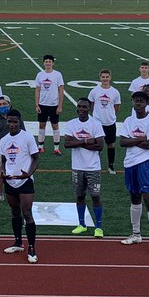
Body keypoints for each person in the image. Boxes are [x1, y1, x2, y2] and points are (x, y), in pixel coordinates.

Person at [119, 91, 149, 255]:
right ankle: (136, 234)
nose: (138, 103)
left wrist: (133, 140)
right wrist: (140, 139)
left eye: (142, 100)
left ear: (147, 103)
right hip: (130, 163)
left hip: (145, 164)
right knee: (134, 197)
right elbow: (122, 142)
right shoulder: (128, 120)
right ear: (132, 102)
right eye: (136, 100)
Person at [0, 109, 41, 264]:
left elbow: (36, 158)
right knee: (15, 213)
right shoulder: (4, 140)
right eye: (9, 121)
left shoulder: (28, 137)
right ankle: (18, 242)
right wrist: (3, 171)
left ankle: (31, 247)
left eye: (15, 121)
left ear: (20, 121)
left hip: (25, 181)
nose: (12, 124)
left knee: (27, 213)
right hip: (10, 181)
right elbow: (4, 160)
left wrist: (28, 174)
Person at [63, 97, 105, 237]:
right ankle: (82, 224)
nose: (81, 109)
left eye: (84, 107)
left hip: (93, 167)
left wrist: (77, 141)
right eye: (79, 106)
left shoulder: (96, 124)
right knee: (79, 195)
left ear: (90, 108)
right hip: (77, 167)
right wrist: (86, 141)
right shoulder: (71, 124)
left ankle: (98, 227)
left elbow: (99, 146)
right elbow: (66, 144)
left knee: (95, 196)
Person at [87, 69, 122, 175]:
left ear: (110, 78)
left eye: (107, 77)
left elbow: (117, 107)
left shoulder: (115, 92)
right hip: (97, 123)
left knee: (111, 144)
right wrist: (96, 116)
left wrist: (110, 115)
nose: (105, 79)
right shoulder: (94, 91)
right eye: (103, 77)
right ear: (100, 78)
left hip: (110, 123)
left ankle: (111, 166)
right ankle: (94, 165)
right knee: (96, 144)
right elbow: (90, 105)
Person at [33, 54, 66, 154]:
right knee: (42, 125)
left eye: (49, 61)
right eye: (46, 61)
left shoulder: (57, 75)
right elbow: (37, 90)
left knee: (55, 125)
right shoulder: (40, 75)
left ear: (53, 63)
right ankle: (40, 146)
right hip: (42, 104)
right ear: (43, 63)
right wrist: (37, 104)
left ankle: (56, 148)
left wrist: (60, 105)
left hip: (54, 105)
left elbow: (61, 90)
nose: (48, 63)